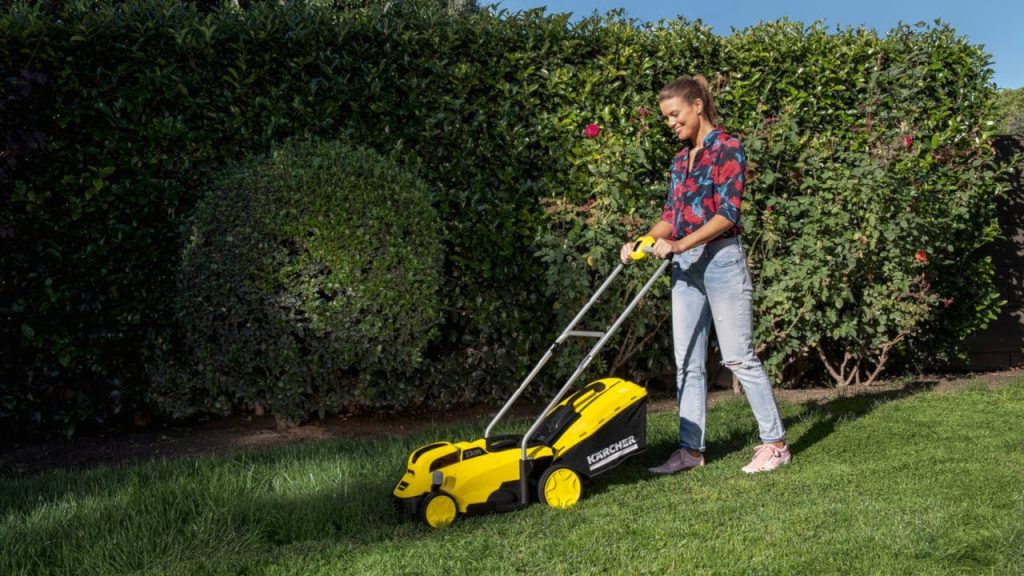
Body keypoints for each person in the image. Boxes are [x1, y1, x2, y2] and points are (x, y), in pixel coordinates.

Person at [619, 75, 790, 474]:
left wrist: (681, 244)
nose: (671, 123)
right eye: (665, 118)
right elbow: (670, 219)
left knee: (738, 357)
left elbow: (726, 214)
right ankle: (690, 451)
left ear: (697, 105)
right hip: (686, 268)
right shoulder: (682, 160)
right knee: (687, 362)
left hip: (721, 261)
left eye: (675, 115)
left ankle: (776, 444)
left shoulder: (728, 148)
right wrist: (642, 241)